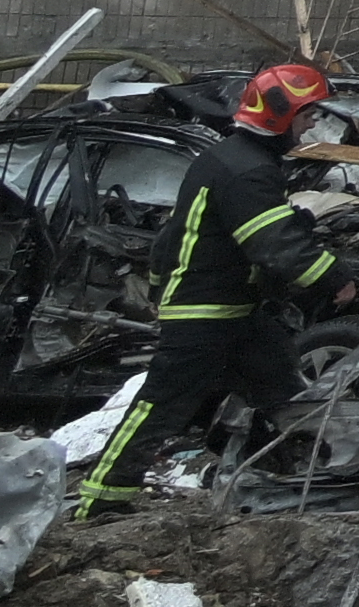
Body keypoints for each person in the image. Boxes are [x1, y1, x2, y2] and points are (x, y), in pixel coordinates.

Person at [94, 60, 343, 504]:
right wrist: (334, 277)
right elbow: (273, 245)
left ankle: (297, 480)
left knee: (282, 391)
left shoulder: (230, 159)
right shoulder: (248, 170)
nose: (310, 128)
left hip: (233, 311)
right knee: (161, 407)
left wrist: (158, 288)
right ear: (280, 117)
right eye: (307, 116)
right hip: (204, 314)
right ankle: (101, 498)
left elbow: (173, 237)